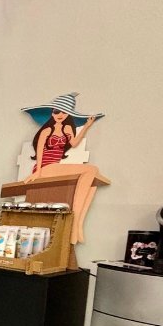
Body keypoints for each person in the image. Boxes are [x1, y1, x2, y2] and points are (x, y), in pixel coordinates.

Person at [22, 92, 104, 245]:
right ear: (52, 113)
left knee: (92, 177)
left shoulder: (67, 130)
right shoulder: (46, 131)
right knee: (91, 170)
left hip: (56, 167)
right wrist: (37, 172)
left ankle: (78, 223)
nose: (59, 115)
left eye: (63, 112)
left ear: (68, 115)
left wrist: (86, 126)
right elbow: (39, 151)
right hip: (45, 168)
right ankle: (75, 223)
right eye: (56, 111)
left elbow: (74, 143)